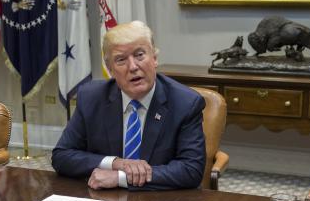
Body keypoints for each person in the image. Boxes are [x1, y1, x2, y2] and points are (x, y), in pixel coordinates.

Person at [52, 20, 206, 190]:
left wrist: (120, 178)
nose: (133, 67)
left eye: (140, 55)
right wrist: (115, 164)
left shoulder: (186, 103)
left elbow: (191, 170)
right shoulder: (91, 98)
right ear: (110, 70)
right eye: (121, 60)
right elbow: (62, 156)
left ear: (154, 58)